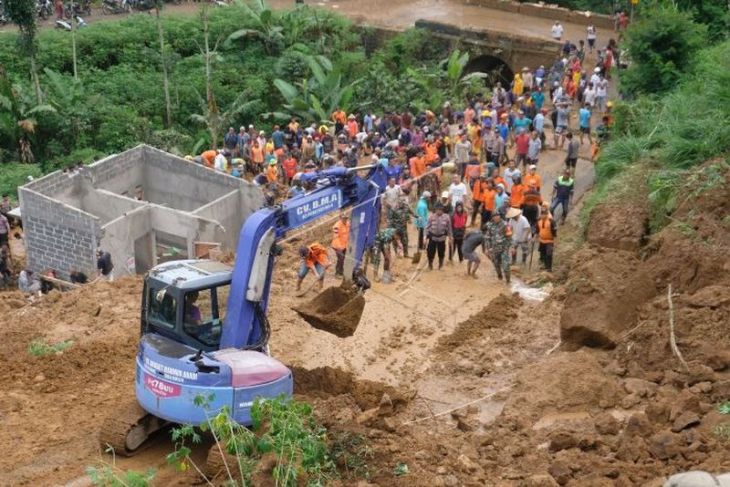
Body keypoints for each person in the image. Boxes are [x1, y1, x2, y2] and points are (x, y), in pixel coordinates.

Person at [484, 212, 512, 284]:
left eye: (497, 216)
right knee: (496, 264)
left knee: (506, 265)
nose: (496, 218)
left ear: (499, 216)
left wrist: (509, 247)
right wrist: (487, 248)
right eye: (494, 216)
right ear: (492, 218)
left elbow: (509, 237)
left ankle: (508, 281)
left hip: (504, 249)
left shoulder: (505, 225)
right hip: (494, 249)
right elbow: (487, 237)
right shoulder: (490, 226)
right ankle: (500, 278)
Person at [425, 204, 452, 270]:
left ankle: (440, 265)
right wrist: (424, 237)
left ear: (443, 210)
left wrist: (450, 238)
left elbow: (449, 229)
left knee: (441, 252)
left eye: (440, 210)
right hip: (433, 238)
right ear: (435, 210)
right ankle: (430, 265)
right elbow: (427, 227)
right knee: (430, 252)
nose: (439, 211)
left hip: (442, 238)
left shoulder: (447, 217)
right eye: (438, 210)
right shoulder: (431, 217)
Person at [331, 213, 350, 277]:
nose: (345, 219)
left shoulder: (348, 223)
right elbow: (336, 237)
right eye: (344, 218)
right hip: (337, 245)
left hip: (344, 245)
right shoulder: (336, 226)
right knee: (340, 258)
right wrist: (339, 247)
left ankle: (341, 272)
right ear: (340, 218)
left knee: (343, 258)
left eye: (346, 218)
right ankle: (337, 273)